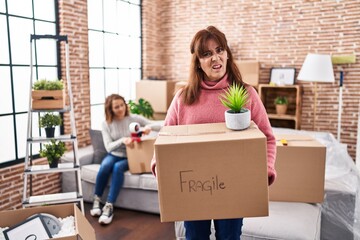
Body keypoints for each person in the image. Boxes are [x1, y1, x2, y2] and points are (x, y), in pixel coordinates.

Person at [150, 26, 277, 239]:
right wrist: (160, 168)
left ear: (227, 54)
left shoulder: (247, 94)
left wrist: (265, 171)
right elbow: (164, 140)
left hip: (234, 190)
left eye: (219, 50)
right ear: (198, 62)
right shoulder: (183, 98)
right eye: (207, 54)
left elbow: (268, 138)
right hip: (192, 189)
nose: (215, 58)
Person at [90, 94, 160, 225]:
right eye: (116, 107)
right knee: (105, 166)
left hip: (130, 156)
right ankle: (97, 199)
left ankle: (109, 205)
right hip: (114, 154)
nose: (121, 108)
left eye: (122, 105)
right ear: (110, 109)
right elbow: (109, 147)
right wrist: (123, 140)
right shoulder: (106, 124)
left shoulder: (133, 118)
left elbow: (158, 125)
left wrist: (148, 128)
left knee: (117, 168)